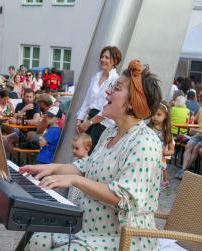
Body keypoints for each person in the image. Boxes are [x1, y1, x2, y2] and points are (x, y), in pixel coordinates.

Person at [20, 60, 163, 251]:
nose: (107, 92)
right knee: (37, 239)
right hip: (89, 228)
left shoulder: (145, 143)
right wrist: (50, 168)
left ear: (131, 103)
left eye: (116, 88)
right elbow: (86, 166)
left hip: (125, 237)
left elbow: (122, 197)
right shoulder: (110, 132)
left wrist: (74, 181)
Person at [76, 46, 122, 151]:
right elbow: (87, 100)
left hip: (103, 125)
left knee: (93, 155)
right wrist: (79, 120)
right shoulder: (96, 76)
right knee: (83, 155)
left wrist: (89, 123)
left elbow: (109, 108)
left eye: (107, 57)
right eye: (102, 57)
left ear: (115, 61)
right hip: (90, 121)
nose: (103, 60)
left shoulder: (116, 80)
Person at [4, 88, 41, 153]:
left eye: (30, 97)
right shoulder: (19, 105)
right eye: (26, 97)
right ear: (23, 96)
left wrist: (19, 122)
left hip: (30, 131)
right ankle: (15, 157)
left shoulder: (36, 105)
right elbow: (13, 119)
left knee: (10, 138)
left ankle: (9, 139)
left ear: (34, 97)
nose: (28, 99)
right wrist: (23, 109)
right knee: (7, 133)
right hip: (19, 130)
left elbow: (35, 121)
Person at [148, 101, 174, 189]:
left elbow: (172, 150)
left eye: (159, 114)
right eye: (153, 114)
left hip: (159, 162)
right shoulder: (147, 128)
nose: (155, 117)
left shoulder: (166, 132)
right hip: (147, 160)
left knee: (156, 187)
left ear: (165, 116)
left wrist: (164, 153)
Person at [67, 133, 92, 206]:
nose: (74, 151)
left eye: (77, 148)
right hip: (72, 189)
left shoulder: (87, 161)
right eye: (73, 148)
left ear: (86, 149)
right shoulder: (75, 159)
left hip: (79, 192)